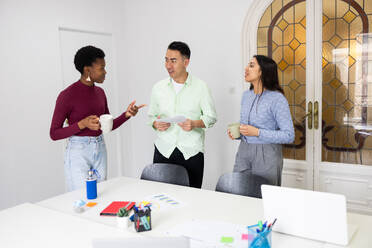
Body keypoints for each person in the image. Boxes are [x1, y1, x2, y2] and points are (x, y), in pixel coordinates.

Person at [50, 45, 145, 191]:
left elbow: (108, 126)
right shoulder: (67, 96)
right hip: (78, 152)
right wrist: (81, 124)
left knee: (100, 196)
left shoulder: (100, 92)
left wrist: (127, 115)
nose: (105, 72)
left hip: (100, 148)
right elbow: (54, 133)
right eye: (101, 68)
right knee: (82, 198)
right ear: (88, 70)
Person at [148, 41, 217, 188]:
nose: (168, 65)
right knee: (161, 196)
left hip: (191, 152)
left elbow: (211, 117)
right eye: (166, 60)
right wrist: (156, 123)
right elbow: (151, 117)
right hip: (163, 151)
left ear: (186, 62)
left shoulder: (201, 87)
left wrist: (194, 124)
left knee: (191, 200)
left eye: (173, 61)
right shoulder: (158, 88)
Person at [228, 55, 294, 186]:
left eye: (252, 65)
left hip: (267, 154)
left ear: (263, 71)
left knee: (263, 198)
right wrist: (238, 133)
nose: (246, 68)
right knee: (238, 192)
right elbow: (246, 126)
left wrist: (258, 132)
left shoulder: (277, 99)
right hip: (243, 151)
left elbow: (289, 135)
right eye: (248, 65)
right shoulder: (246, 96)